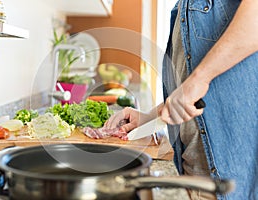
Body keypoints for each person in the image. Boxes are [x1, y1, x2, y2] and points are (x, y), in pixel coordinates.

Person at [104, 0, 258, 200]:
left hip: (229, 183)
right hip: (193, 175)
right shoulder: (183, 8)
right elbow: (199, 94)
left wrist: (199, 78)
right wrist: (149, 118)